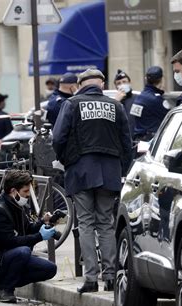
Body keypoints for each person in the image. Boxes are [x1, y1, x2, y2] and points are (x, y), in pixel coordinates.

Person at [52, 69, 132, 294]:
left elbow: (58, 138)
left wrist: (66, 160)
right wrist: (122, 170)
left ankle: (90, 278)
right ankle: (111, 277)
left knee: (86, 223)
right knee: (106, 223)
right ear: (102, 84)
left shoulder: (72, 104)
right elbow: (127, 142)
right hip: (109, 173)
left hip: (80, 170)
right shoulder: (115, 106)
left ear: (79, 85)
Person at [0, 170, 57, 303]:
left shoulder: (15, 205)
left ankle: (5, 281)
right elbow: (10, 242)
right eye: (25, 191)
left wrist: (43, 221)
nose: (28, 195)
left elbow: (27, 229)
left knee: (50, 269)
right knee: (23, 251)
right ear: (13, 191)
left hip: (9, 257)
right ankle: (5, 288)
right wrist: (40, 237)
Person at [131, 66, 170, 141]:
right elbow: (169, 119)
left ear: (146, 79)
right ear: (161, 79)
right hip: (150, 141)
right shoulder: (157, 100)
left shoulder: (140, 97)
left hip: (138, 140)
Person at [113, 69, 136, 137]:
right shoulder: (115, 102)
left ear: (129, 83)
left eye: (124, 82)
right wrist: (116, 102)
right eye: (119, 83)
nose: (122, 85)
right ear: (116, 87)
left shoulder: (138, 99)